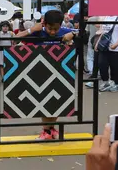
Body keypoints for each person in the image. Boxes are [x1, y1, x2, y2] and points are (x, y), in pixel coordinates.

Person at [16, 10, 76, 140]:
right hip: (41, 73)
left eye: (56, 29)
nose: (53, 32)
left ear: (61, 25)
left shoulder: (64, 32)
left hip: (60, 73)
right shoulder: (38, 32)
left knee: (57, 103)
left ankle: (51, 129)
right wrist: (32, 30)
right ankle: (46, 130)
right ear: (44, 23)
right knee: (44, 102)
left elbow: (83, 32)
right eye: (50, 28)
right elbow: (15, 37)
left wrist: (73, 33)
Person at [97, 15, 118, 92]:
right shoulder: (106, 17)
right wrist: (97, 43)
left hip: (115, 48)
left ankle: (116, 83)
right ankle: (105, 82)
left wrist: (116, 44)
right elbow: (103, 32)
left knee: (115, 67)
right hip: (104, 46)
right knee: (101, 64)